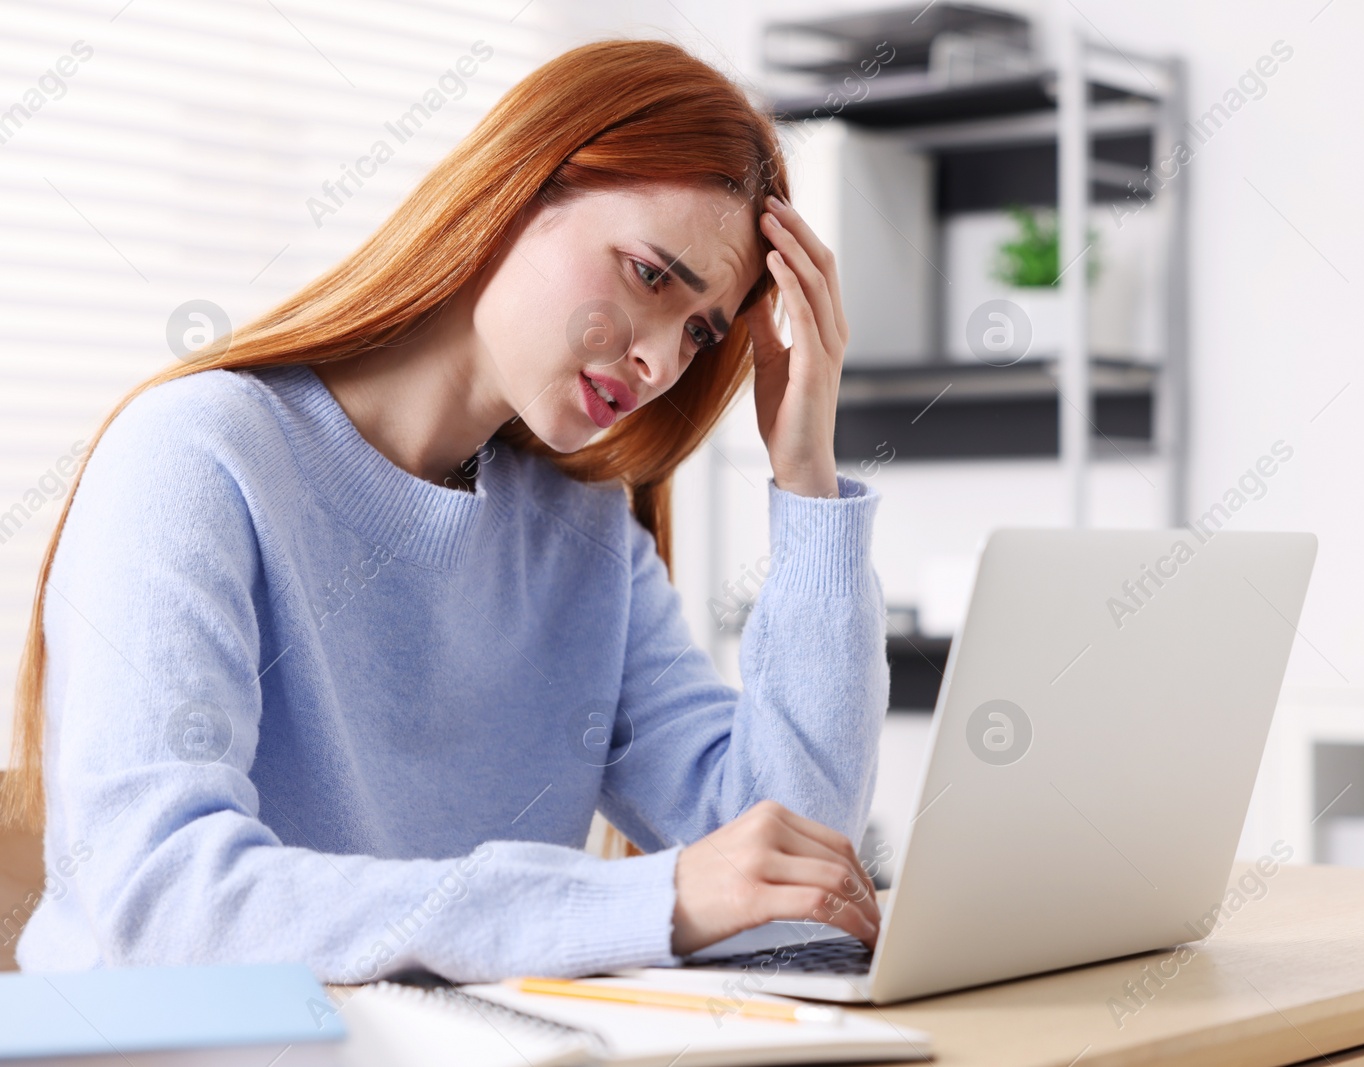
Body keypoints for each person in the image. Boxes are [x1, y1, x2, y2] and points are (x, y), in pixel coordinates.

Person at [5, 38, 888, 983]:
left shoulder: (585, 536)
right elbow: (163, 898)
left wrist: (807, 485)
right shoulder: (197, 453)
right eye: (649, 275)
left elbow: (796, 869)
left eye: (702, 330)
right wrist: (647, 901)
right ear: (517, 190)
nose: (662, 362)